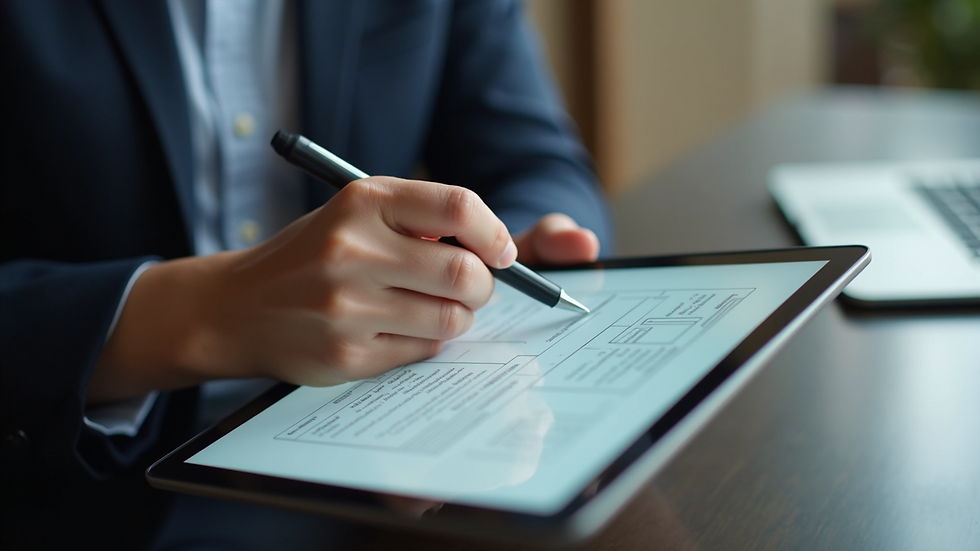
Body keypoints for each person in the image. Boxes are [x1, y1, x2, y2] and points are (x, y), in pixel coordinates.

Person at [0, 1, 614, 549]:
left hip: (395, 444)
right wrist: (206, 313)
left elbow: (537, 159)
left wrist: (514, 241)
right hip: (75, 482)